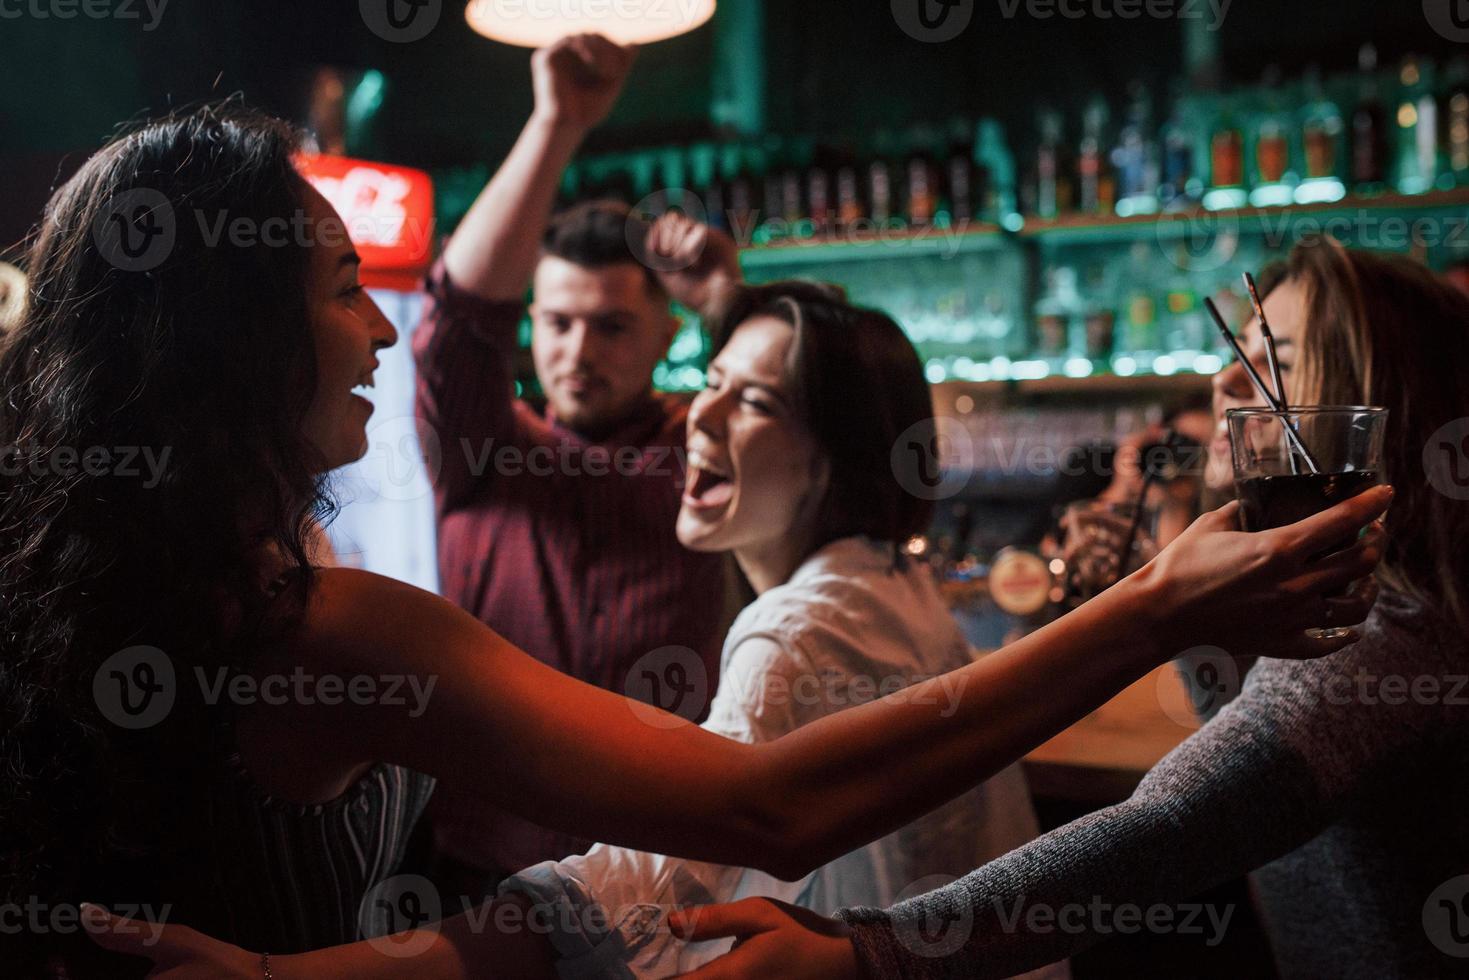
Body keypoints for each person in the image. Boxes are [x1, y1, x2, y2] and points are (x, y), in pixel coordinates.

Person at [55, 101, 1379, 971]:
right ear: (236, 341)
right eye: (349, 290)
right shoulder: (320, 613)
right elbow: (763, 807)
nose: (384, 331)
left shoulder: (84, 580)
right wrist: (1156, 603)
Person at [666, 238, 1465, 980]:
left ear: (1376, 402)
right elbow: (1244, 742)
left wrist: (871, 954)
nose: (1228, 383)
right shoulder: (1375, 611)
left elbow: (1172, 828)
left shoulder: (1390, 643)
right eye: (1239, 351)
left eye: (1274, 361)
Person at [493, 282, 1059, 979]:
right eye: (712, 383)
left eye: (755, 402)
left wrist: (462, 948)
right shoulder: (883, 580)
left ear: (833, 459)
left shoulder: (796, 630)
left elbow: (673, 869)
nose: (702, 414)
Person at [411, 33, 741, 893]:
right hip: (486, 867)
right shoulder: (486, 450)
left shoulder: (704, 448)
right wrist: (556, 122)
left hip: (663, 863)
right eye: (556, 322)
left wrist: (728, 307)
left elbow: (822, 432)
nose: (577, 348)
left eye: (612, 325)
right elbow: (458, 322)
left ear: (668, 331)